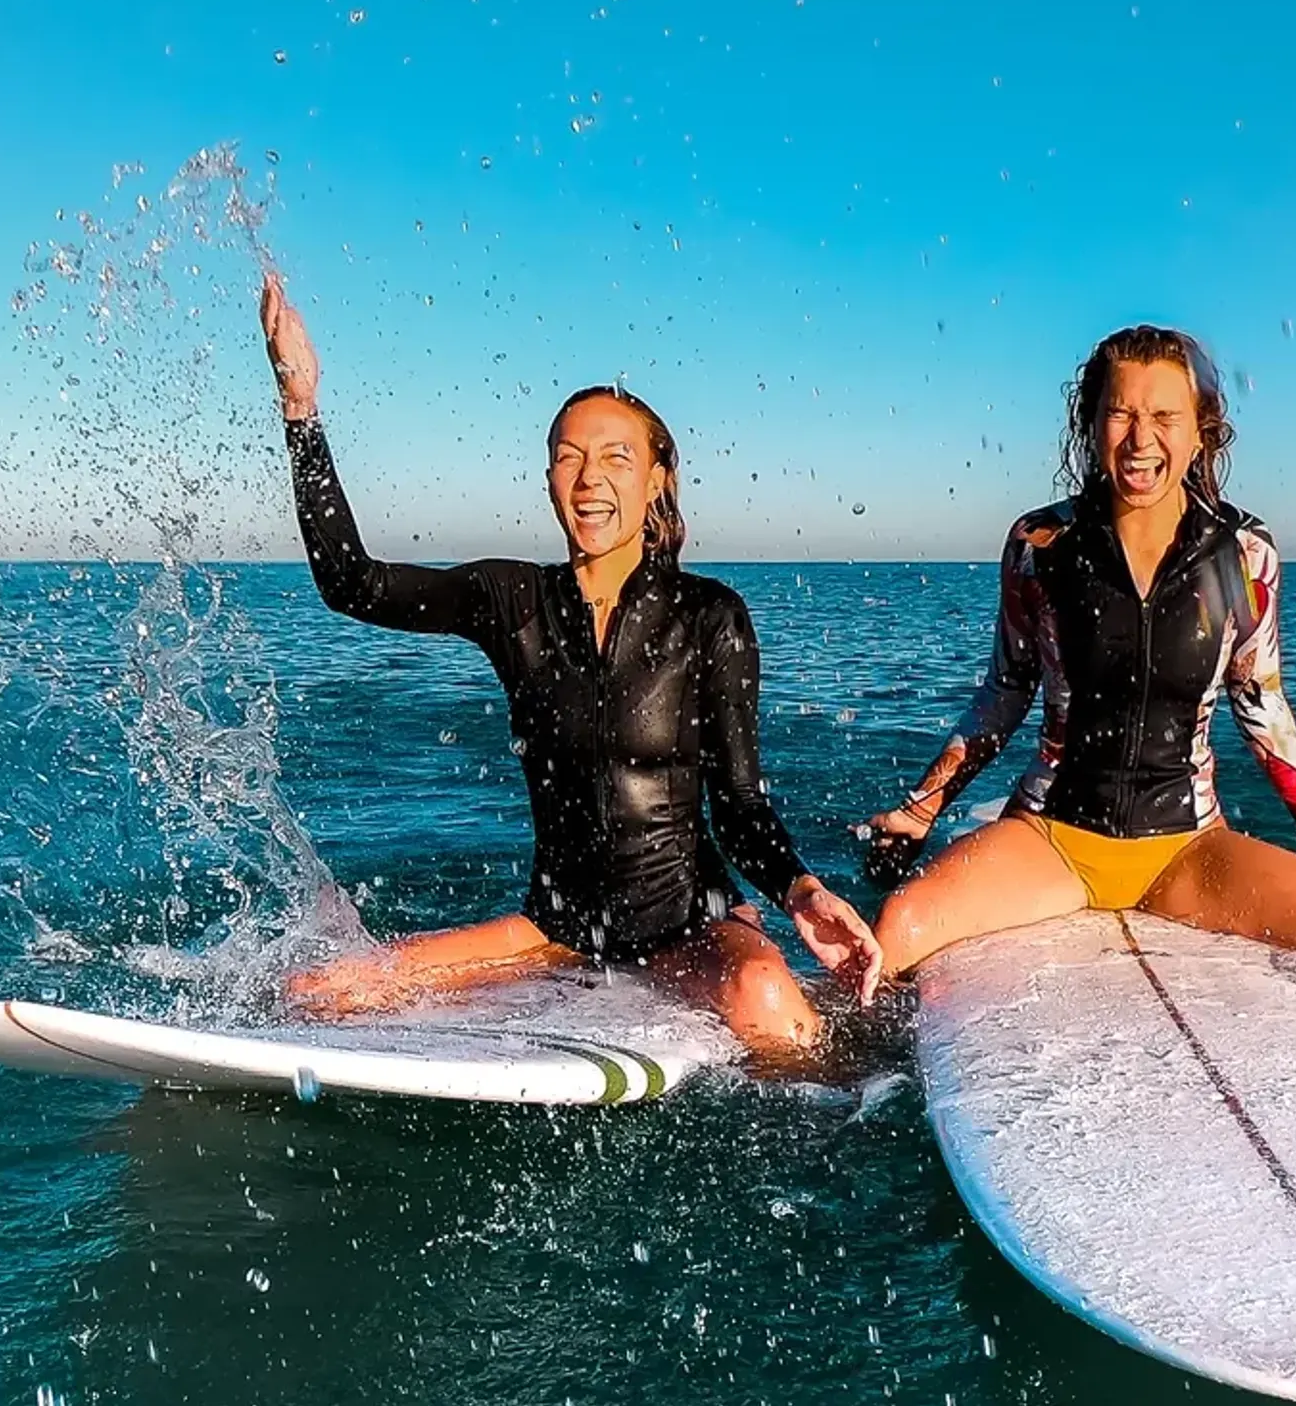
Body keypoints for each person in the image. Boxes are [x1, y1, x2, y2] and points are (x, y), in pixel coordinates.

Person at [256, 273, 880, 1059]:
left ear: (656, 479)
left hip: (685, 930)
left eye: (616, 457)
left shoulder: (709, 616)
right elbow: (353, 581)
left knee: (769, 1001)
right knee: (318, 994)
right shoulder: (509, 599)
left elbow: (742, 806)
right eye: (568, 457)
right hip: (554, 932)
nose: (589, 479)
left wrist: (799, 890)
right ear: (549, 477)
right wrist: (300, 408)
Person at [861, 324, 1296, 990]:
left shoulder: (1243, 553)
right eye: (1121, 412)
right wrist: (921, 809)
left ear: (1201, 430)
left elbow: (1258, 693)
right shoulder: (1041, 544)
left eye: (1164, 416)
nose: (1140, 438)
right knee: (897, 931)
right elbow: (1005, 691)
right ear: (1091, 423)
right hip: (1051, 838)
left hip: (1189, 847)